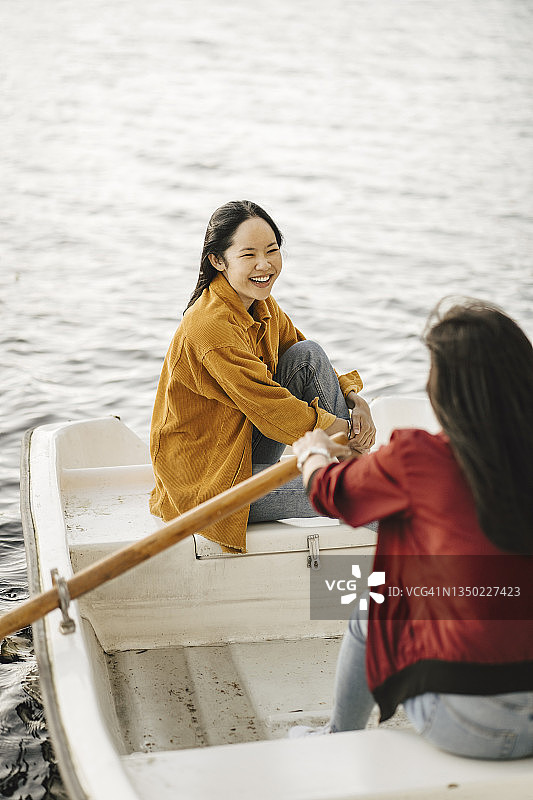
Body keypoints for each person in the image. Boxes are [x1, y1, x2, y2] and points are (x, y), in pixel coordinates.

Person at [290, 299, 533, 759]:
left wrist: (313, 452)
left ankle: (338, 740)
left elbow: (328, 494)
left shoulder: (419, 458)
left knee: (375, 600)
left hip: (471, 728)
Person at [150, 200, 375, 552]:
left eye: (272, 251)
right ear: (217, 261)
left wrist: (355, 401)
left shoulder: (260, 303)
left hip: (242, 446)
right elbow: (273, 410)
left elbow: (305, 358)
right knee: (354, 492)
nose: (264, 265)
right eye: (248, 255)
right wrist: (345, 431)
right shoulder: (211, 327)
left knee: (307, 355)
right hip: (212, 484)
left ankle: (356, 467)